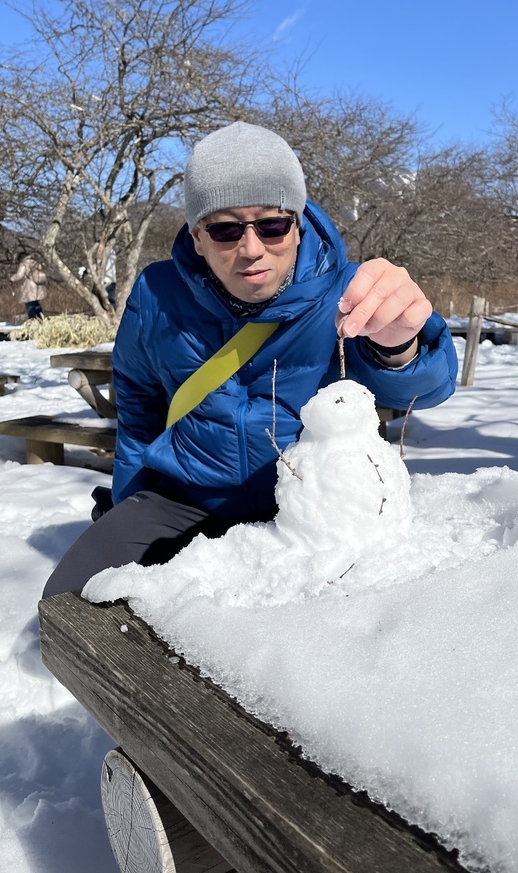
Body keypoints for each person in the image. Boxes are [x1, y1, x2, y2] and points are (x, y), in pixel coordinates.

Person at [43, 122, 457, 597]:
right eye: (224, 229)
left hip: (307, 507)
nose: (252, 248)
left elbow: (427, 390)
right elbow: (138, 406)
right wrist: (124, 504)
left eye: (273, 223)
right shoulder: (155, 294)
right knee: (68, 601)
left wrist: (398, 346)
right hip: (183, 499)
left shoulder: (351, 293)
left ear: (297, 225)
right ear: (197, 237)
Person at [10, 253, 47, 321]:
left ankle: (32, 321)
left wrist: (12, 278)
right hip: (38, 288)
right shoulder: (35, 263)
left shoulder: (24, 264)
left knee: (30, 306)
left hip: (29, 289)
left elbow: (19, 276)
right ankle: (42, 319)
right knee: (36, 305)